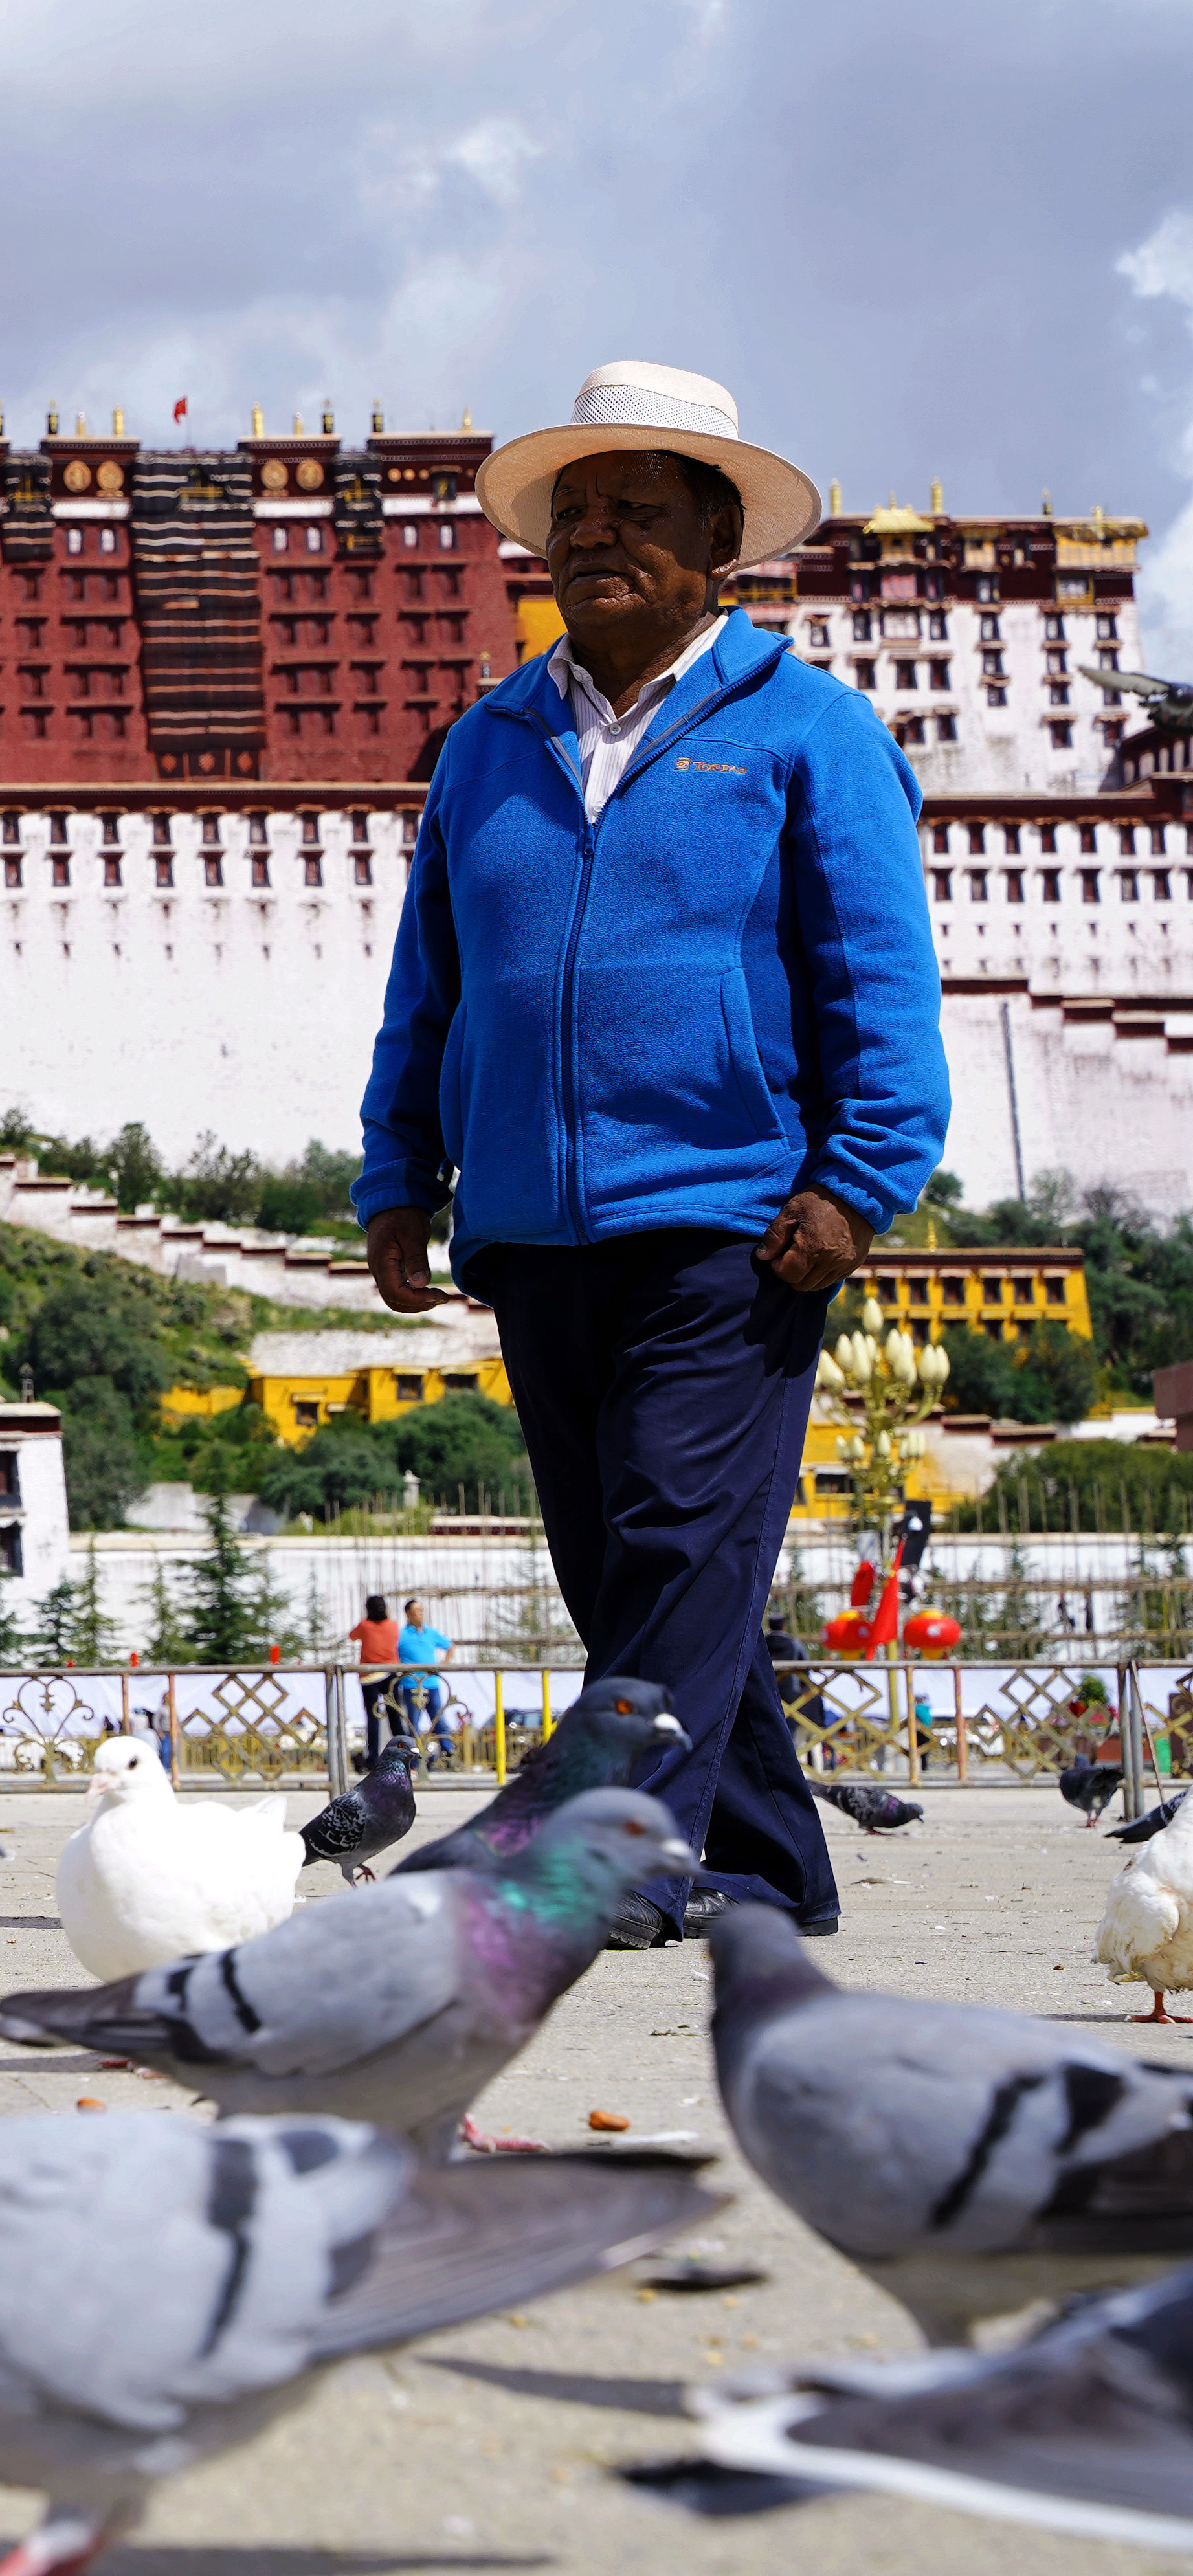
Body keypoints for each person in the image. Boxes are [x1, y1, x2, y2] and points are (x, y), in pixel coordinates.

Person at [357, 361, 948, 1949]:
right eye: (575, 515)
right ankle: (763, 1861)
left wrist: (861, 1177)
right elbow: (435, 977)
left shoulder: (808, 731)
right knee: (627, 1560)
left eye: (639, 511)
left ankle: (604, 1854)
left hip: (731, 1215)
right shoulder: (484, 744)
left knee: (680, 1535)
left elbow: (877, 974)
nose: (598, 537)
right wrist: (396, 1170)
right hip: (533, 1222)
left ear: (719, 543)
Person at [346, 1593, 402, 1764]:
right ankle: (406, 1755)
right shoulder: (393, 1626)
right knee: (396, 1717)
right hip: (391, 1673)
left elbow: (352, 1636)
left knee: (372, 1718)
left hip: (369, 1676)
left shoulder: (365, 1625)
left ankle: (372, 1758)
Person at [394, 1597, 454, 1748]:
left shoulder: (431, 1633)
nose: (420, 1613)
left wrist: (443, 1665)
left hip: (432, 1683)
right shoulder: (401, 1634)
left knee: (439, 1720)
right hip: (412, 1685)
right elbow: (391, 1651)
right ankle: (414, 1760)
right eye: (416, 1611)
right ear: (408, 1613)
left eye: (421, 1610)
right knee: (414, 1725)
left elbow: (450, 1646)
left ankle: (449, 1753)